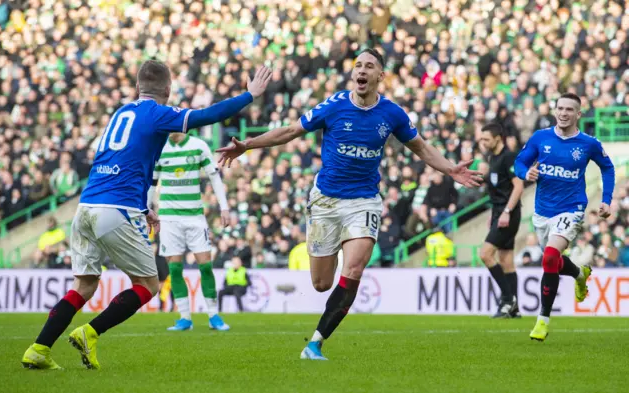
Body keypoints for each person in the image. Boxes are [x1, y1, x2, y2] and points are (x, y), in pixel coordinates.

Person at [217, 49, 482, 360]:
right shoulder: (334, 106)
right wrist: (247, 145)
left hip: (364, 200)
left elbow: (420, 148)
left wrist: (450, 168)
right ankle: (319, 323)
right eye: (358, 65)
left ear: (380, 76)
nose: (362, 70)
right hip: (326, 200)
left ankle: (315, 342)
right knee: (321, 283)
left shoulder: (392, 114)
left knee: (354, 268)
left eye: (369, 66)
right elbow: (290, 131)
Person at [21, 60, 272, 370]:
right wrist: (250, 95)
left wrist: (143, 207)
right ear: (168, 90)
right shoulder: (158, 114)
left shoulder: (120, 113)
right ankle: (89, 333)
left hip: (85, 207)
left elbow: (123, 164)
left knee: (83, 286)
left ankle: (39, 348)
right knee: (148, 285)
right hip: (115, 210)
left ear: (137, 88)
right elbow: (208, 116)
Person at [514, 93, 615, 342]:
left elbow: (608, 167)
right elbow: (519, 163)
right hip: (542, 211)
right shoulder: (541, 138)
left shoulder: (588, 143)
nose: (563, 113)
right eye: (560, 108)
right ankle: (580, 274)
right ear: (554, 110)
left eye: (570, 109)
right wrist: (526, 173)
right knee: (553, 261)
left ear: (578, 114)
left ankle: (542, 321)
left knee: (549, 257)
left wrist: (606, 199)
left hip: (572, 207)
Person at [152, 132, 230, 331]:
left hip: (195, 217)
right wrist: (148, 210)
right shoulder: (159, 147)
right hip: (169, 218)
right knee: (175, 269)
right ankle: (185, 317)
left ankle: (214, 315)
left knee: (205, 266)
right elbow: (151, 183)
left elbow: (214, 176)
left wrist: (224, 207)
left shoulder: (198, 145)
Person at [478, 122, 524, 318]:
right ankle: (514, 309)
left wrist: (506, 211)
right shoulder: (493, 158)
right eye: (482, 138)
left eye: (486, 138)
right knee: (506, 262)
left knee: (485, 254)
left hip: (509, 213)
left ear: (498, 138)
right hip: (499, 212)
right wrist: (494, 213)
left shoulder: (508, 157)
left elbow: (519, 186)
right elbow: (498, 189)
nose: (483, 142)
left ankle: (507, 299)